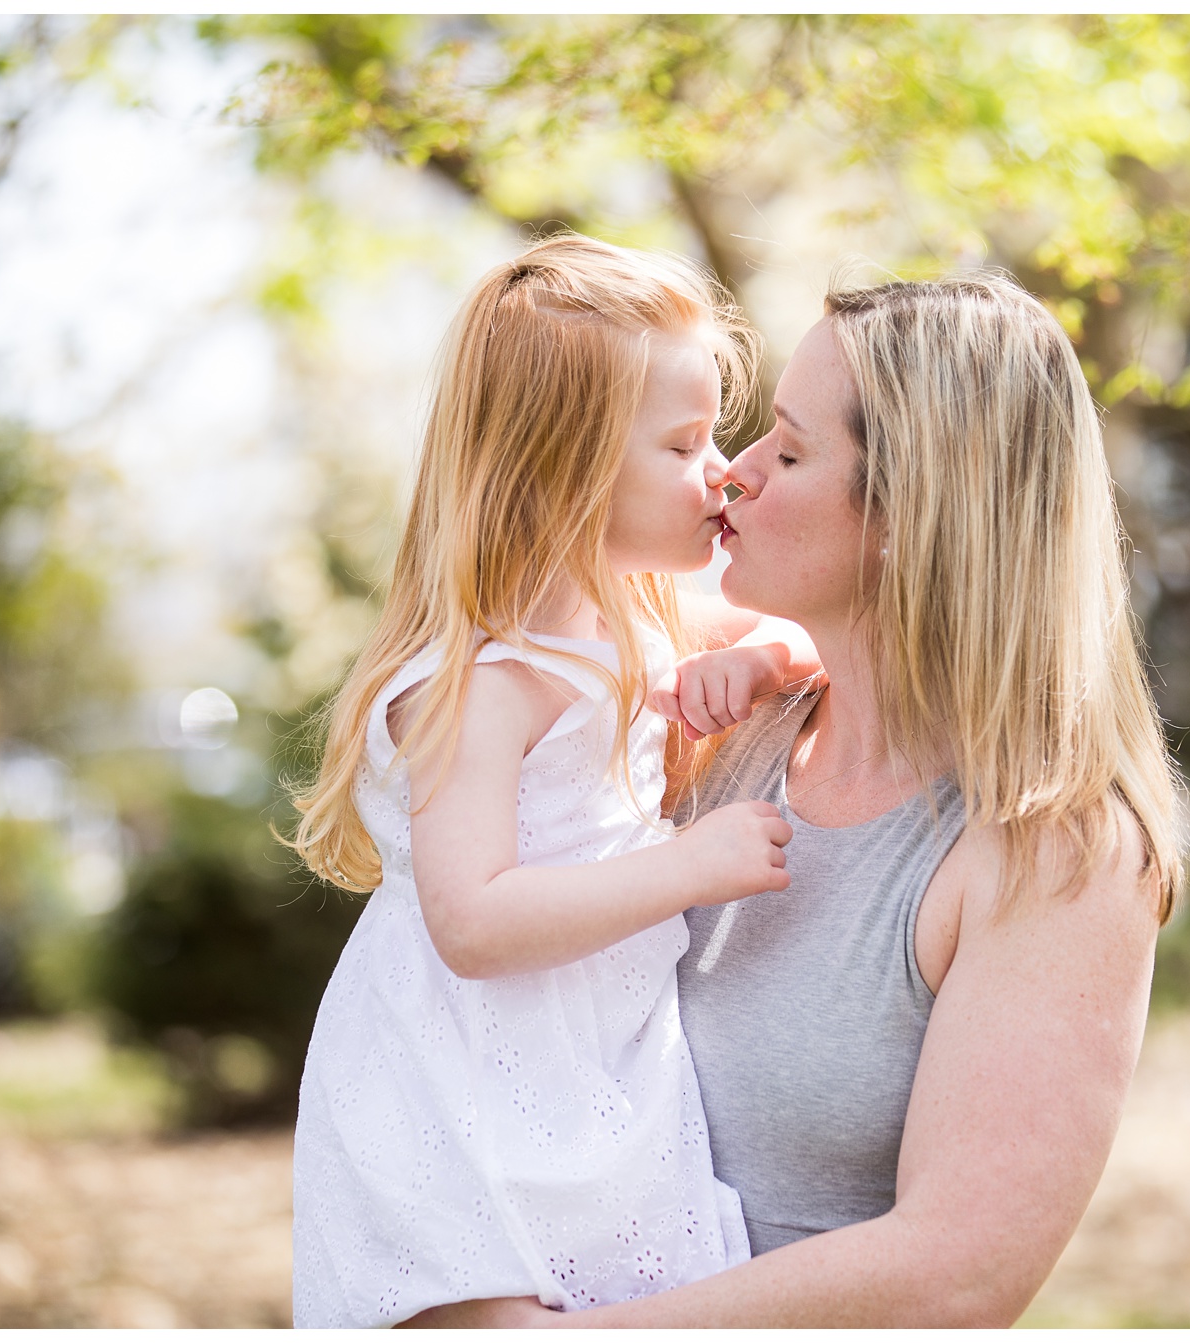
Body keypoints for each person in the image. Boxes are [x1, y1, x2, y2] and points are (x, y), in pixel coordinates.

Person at [408, 270, 1184, 1327]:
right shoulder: (711, 734)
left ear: (913, 513)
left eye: (789, 446)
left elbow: (955, 1271)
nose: (735, 475)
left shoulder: (1058, 850)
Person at [284, 234, 821, 1328]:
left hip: (586, 1056)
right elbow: (472, 919)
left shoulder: (631, 615)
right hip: (459, 1082)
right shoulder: (484, 682)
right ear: (559, 470)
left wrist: (754, 660)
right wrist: (683, 866)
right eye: (680, 442)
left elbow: (816, 642)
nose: (719, 467)